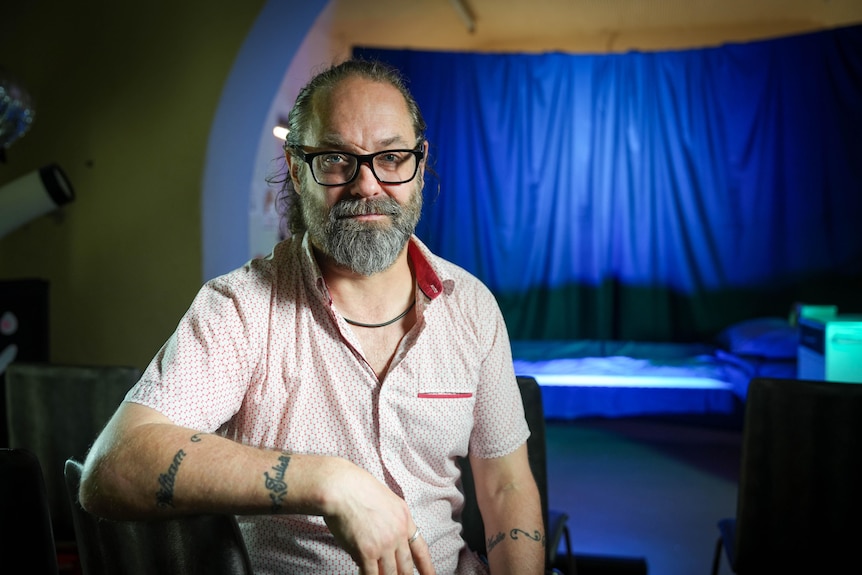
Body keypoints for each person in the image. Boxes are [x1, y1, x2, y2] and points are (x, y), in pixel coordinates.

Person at [80, 59, 544, 575]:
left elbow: (507, 485)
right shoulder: (241, 307)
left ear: (418, 161)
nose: (367, 185)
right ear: (298, 168)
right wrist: (327, 482)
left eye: (391, 158)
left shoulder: (471, 306)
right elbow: (113, 467)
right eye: (336, 159)